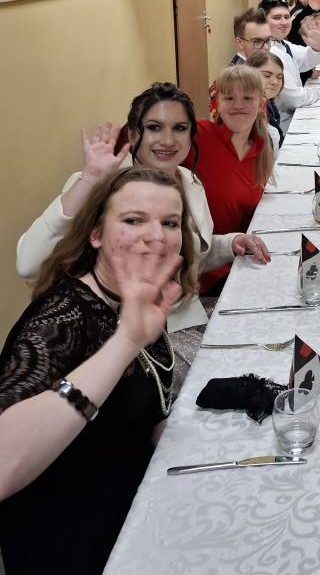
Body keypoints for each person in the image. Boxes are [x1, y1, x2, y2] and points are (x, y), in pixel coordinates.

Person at [1, 167, 194, 575]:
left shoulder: (134, 298)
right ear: (96, 234)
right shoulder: (63, 317)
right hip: (73, 542)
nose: (156, 236)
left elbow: (144, 408)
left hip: (136, 502)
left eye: (170, 223)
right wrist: (126, 341)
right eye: (133, 220)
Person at [16, 83, 268, 337]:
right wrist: (89, 181)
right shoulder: (102, 184)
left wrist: (230, 243)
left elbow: (185, 254)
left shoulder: (189, 181)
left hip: (182, 320)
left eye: (179, 128)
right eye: (154, 127)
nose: (168, 140)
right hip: (123, 337)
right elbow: (28, 264)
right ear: (134, 135)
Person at [193, 64, 274, 294]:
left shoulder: (261, 150)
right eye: (229, 98)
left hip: (239, 262)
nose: (238, 105)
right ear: (217, 104)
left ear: (261, 104)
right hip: (201, 273)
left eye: (247, 98)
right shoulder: (197, 135)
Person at [259, 0, 320, 132]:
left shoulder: (282, 44)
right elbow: (293, 98)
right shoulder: (269, 51)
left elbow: (306, 59)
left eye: (286, 17)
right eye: (277, 18)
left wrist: (317, 46)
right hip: (284, 126)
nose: (284, 22)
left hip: (293, 116)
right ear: (263, 21)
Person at [245, 49, 285, 156]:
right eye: (267, 75)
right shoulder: (243, 113)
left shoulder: (268, 105)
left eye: (279, 77)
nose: (275, 82)